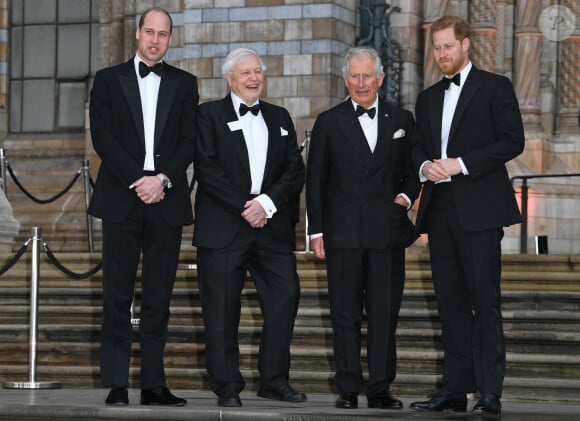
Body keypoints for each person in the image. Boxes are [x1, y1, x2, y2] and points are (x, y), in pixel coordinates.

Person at [409, 15, 524, 416]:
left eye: (447, 46)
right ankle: (454, 391)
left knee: (485, 304)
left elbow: (513, 140)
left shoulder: (495, 87)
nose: (441, 54)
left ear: (465, 44)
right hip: (439, 214)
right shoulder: (426, 98)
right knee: (450, 305)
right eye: (436, 48)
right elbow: (417, 149)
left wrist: (461, 164)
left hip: (480, 212)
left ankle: (490, 391)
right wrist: (425, 167)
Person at [88, 7, 197, 407]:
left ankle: (154, 384)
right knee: (116, 294)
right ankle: (116, 383)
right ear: (137, 34)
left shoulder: (186, 84)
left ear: (170, 38)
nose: (155, 40)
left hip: (166, 200)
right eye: (149, 32)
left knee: (159, 297)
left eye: (163, 34)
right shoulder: (108, 80)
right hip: (122, 196)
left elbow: (189, 141)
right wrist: (139, 179)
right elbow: (103, 139)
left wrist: (163, 179)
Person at [306, 46, 420, 410]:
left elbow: (415, 167)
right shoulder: (328, 120)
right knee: (344, 312)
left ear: (380, 79)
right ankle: (348, 387)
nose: (360, 83)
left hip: (387, 232)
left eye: (367, 75)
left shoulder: (402, 119)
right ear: (345, 80)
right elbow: (316, 180)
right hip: (342, 234)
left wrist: (404, 197)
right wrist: (316, 231)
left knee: (386, 312)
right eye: (354, 76)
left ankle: (381, 388)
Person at [192, 47, 306, 408]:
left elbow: (294, 170)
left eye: (258, 71)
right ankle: (226, 385)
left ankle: (274, 380)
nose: (254, 78)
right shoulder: (208, 115)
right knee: (222, 308)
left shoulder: (280, 116)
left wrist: (266, 204)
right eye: (246, 73)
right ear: (230, 79)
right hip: (226, 225)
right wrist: (247, 206)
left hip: (271, 226)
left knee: (285, 297)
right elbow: (208, 170)